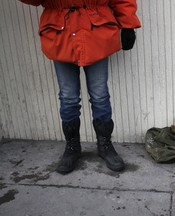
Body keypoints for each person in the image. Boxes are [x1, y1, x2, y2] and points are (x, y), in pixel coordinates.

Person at [19, 0, 141, 174]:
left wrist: (128, 25)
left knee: (100, 95)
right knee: (68, 97)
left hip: (95, 29)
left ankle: (105, 145)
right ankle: (72, 147)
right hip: (60, 31)